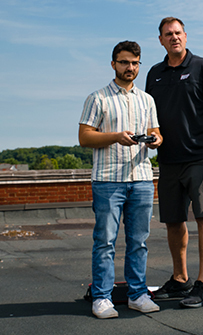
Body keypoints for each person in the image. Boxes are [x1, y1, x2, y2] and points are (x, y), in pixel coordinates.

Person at [145, 17, 203, 308]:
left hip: (200, 158)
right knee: (173, 221)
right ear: (160, 40)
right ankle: (180, 278)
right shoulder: (154, 73)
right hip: (168, 159)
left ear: (186, 36)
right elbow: (149, 117)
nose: (174, 38)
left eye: (178, 33)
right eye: (168, 34)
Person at [79, 40, 163, 319]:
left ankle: (138, 294)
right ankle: (102, 298)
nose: (130, 67)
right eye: (125, 62)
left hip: (141, 178)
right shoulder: (98, 98)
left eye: (135, 63)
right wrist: (116, 136)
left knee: (139, 241)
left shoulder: (147, 99)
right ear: (113, 64)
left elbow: (155, 131)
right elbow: (84, 137)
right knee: (105, 241)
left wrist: (155, 140)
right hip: (107, 179)